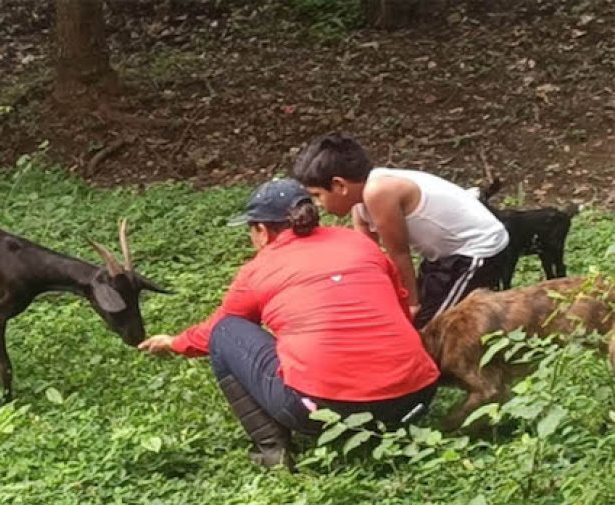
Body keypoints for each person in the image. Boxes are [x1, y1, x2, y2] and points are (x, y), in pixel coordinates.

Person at [138, 178, 440, 469]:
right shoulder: (358, 243)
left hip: (323, 412)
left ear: (262, 230)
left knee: (225, 331)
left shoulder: (259, 269)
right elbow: (400, 304)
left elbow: (214, 331)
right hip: (416, 399)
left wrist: (175, 343)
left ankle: (272, 449)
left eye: (250, 230)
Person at [293, 133, 509, 328]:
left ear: (340, 185)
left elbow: (399, 253)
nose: (318, 204)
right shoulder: (360, 202)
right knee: (422, 315)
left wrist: (411, 305)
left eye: (317, 195)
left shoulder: (379, 192)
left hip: (477, 250)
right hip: (442, 255)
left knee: (433, 329)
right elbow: (369, 255)